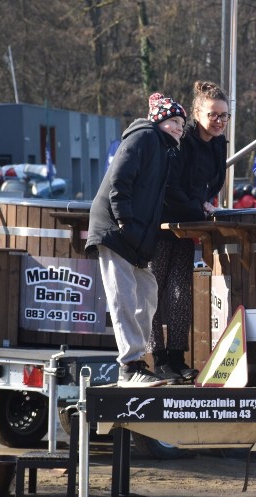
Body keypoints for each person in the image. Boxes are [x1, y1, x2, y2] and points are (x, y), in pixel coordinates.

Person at [85, 93, 186, 387]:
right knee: (124, 296)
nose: (180, 127)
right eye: (175, 121)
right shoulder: (143, 137)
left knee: (147, 291)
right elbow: (119, 179)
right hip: (115, 229)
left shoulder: (163, 149)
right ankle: (129, 366)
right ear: (160, 121)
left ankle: (138, 360)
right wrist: (124, 220)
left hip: (136, 237)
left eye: (182, 122)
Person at [147, 81, 228, 384]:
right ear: (197, 113)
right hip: (162, 223)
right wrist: (198, 208)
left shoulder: (219, 144)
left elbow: (214, 181)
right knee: (155, 289)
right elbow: (170, 187)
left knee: (181, 291)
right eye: (213, 115)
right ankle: (157, 359)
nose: (219, 121)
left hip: (189, 225)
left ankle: (177, 357)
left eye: (224, 115)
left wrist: (204, 206)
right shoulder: (183, 141)